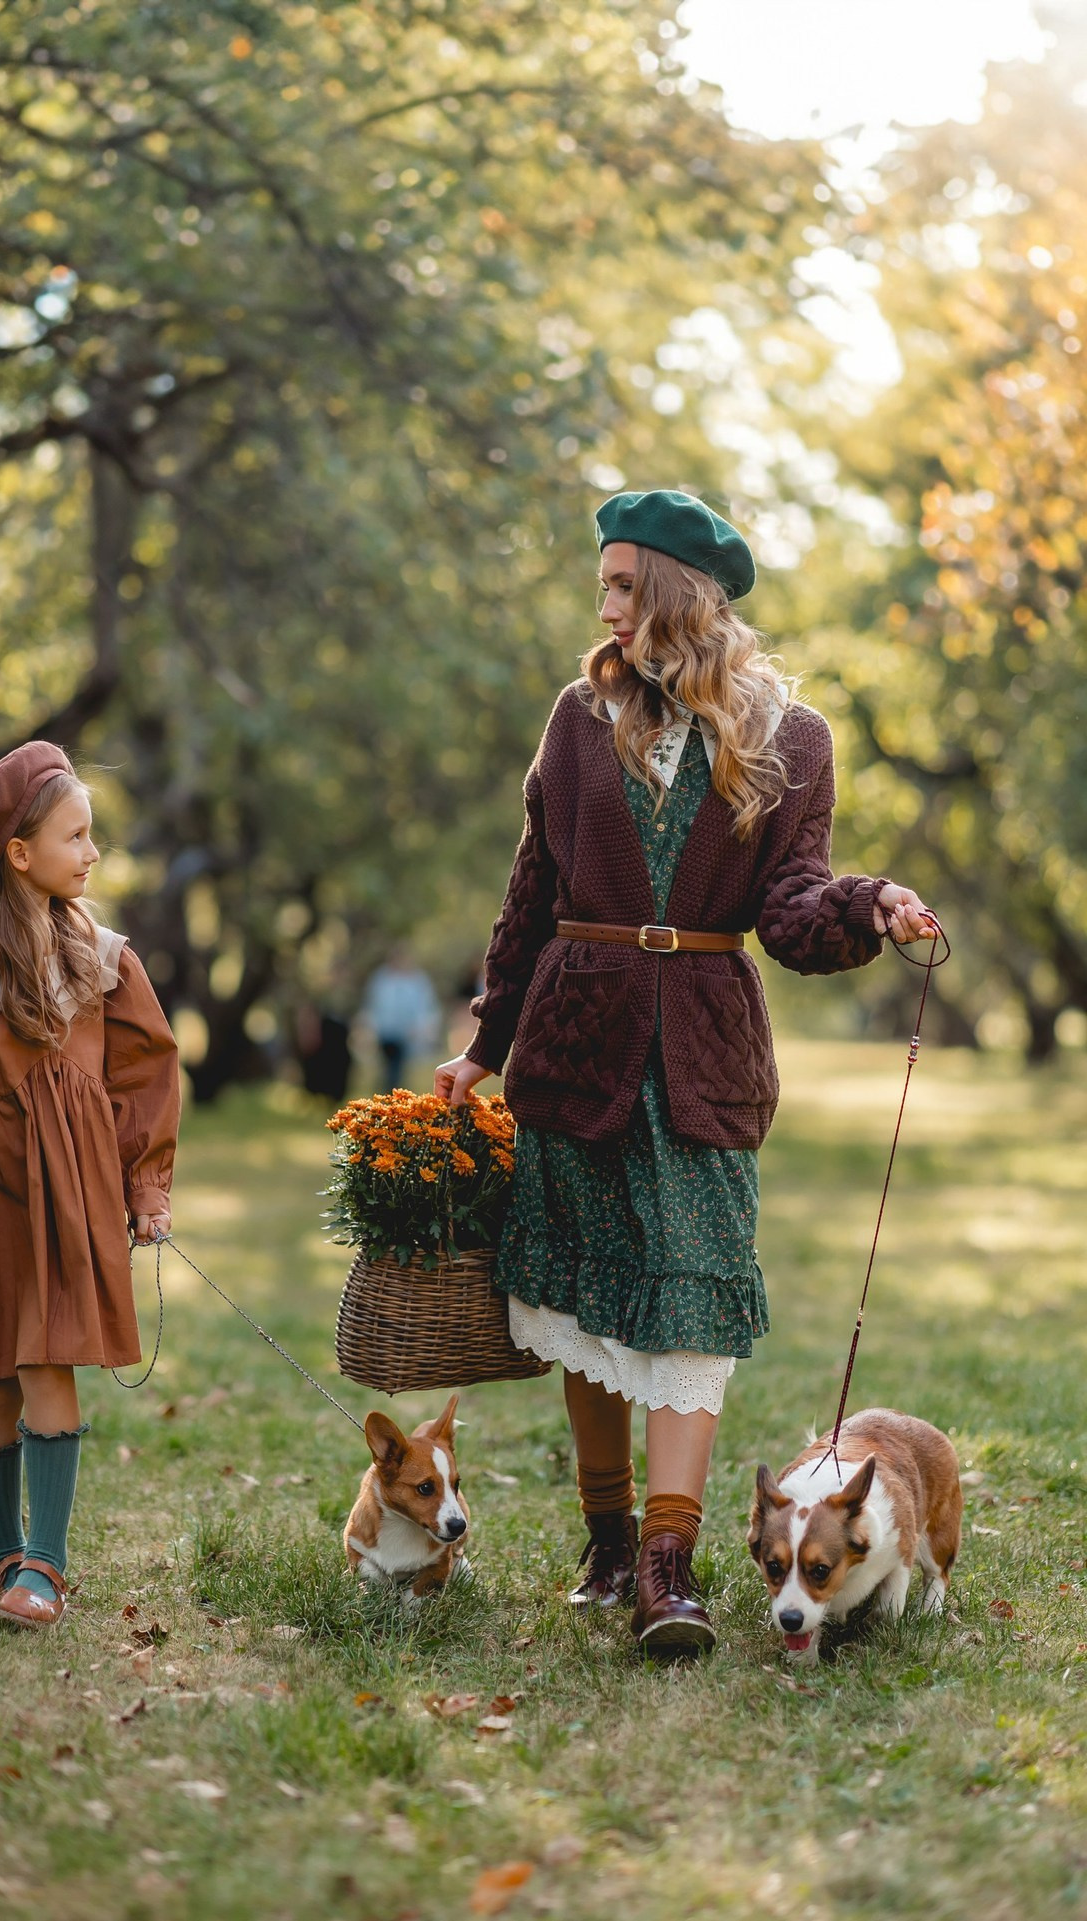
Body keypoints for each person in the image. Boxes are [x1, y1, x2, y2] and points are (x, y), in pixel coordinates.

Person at [435, 489, 935, 1660]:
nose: (604, 604)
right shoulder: (577, 719)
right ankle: (609, 1541)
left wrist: (866, 905)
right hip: (574, 1036)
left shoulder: (791, 738)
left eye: (621, 583)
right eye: (601, 583)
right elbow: (529, 893)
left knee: (690, 1302)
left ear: (672, 591)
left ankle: (668, 1561)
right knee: (585, 1298)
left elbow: (791, 910)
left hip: (702, 1051)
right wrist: (484, 1045)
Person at [0, 743, 181, 1628]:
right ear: (20, 853)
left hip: (76, 1198)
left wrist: (147, 1183)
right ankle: (3, 1555)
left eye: (92, 835)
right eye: (75, 835)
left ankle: (45, 1564)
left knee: (49, 1357)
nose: (93, 852)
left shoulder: (104, 959)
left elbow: (145, 1074)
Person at [361, 945, 440, 1091]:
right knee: (386, 1067)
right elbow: (373, 1004)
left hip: (406, 1034)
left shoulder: (417, 980)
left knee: (397, 1069)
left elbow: (425, 1006)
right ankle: (387, 1092)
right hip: (385, 1032)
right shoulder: (381, 979)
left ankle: (394, 1094)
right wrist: (371, 1028)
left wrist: (420, 1028)